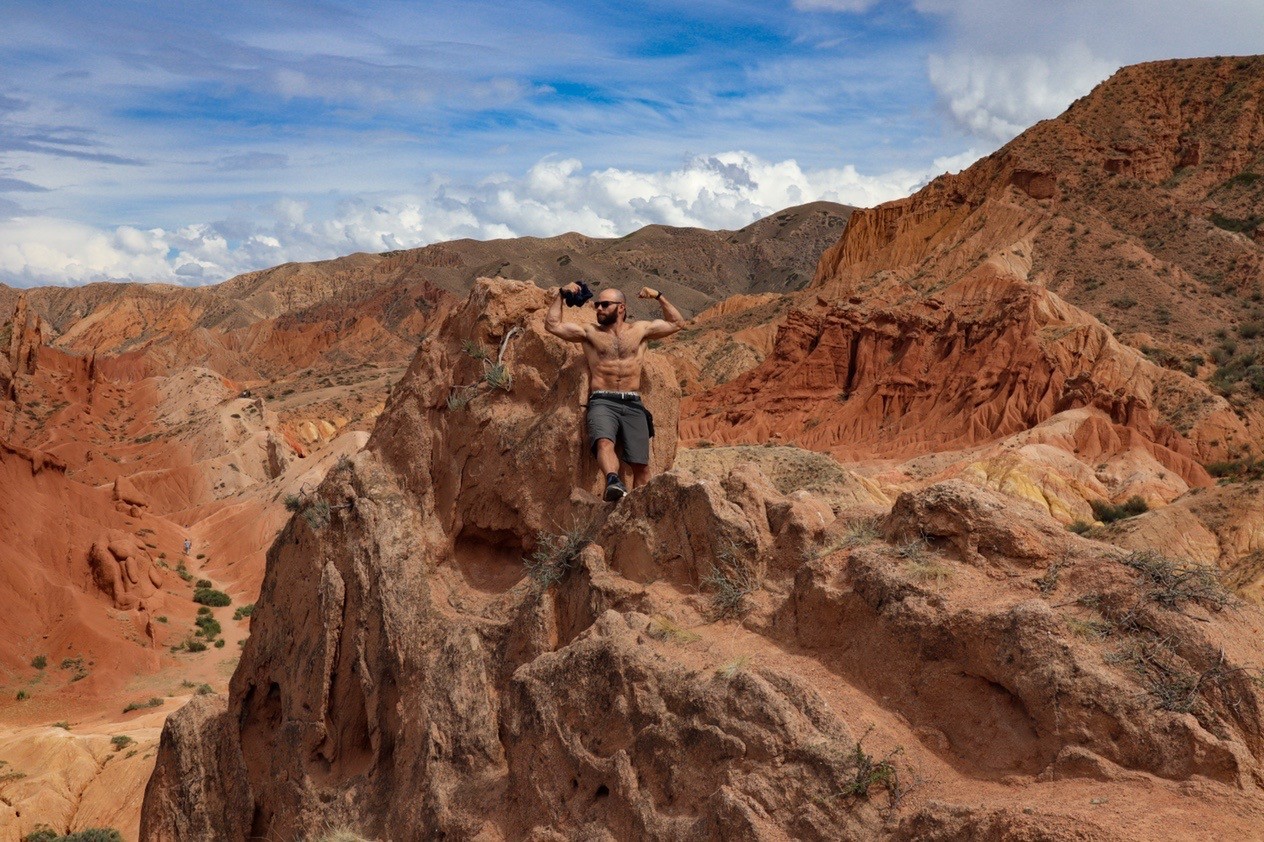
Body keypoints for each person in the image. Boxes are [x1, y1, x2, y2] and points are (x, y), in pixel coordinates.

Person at [545, 283, 686, 501]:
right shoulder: (590, 332)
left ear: (621, 308)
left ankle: (637, 508)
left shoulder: (640, 331)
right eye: (597, 304)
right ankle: (613, 480)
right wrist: (561, 294)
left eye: (605, 304)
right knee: (604, 442)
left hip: (633, 402)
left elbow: (677, 323)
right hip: (602, 400)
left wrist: (658, 296)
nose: (599, 308)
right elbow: (552, 325)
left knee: (642, 466)